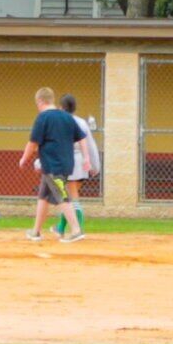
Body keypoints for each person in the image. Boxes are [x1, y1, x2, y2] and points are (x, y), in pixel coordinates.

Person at [18, 86, 86, 243]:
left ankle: (76, 230)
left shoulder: (43, 118)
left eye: (37, 103)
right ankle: (36, 231)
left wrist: (24, 158)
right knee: (43, 196)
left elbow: (33, 143)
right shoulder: (67, 117)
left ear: (41, 101)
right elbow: (80, 136)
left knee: (62, 197)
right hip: (65, 164)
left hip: (53, 165)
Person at [61, 88, 99, 241]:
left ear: (62, 107)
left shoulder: (63, 121)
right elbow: (90, 144)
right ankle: (60, 227)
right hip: (82, 163)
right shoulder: (82, 122)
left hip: (70, 162)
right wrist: (94, 164)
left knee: (72, 197)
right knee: (70, 197)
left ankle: (79, 230)